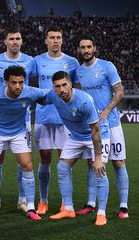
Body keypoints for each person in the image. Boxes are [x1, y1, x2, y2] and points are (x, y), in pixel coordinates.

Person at [0, 66, 44, 221]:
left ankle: (30, 207)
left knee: (27, 165)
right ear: (6, 82)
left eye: (21, 82)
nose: (18, 86)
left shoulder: (30, 92)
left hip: (18, 133)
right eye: (14, 82)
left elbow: (49, 94)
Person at [0, 27, 36, 214]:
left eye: (18, 38)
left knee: (25, 162)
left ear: (22, 41)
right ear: (5, 41)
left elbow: (30, 86)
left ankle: (23, 199)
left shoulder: (30, 61)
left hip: (23, 118)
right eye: (11, 39)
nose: (15, 42)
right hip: (0, 117)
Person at [45, 71, 110, 226]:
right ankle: (68, 209)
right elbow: (37, 96)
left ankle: (102, 213)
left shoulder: (84, 101)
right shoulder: (53, 96)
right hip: (76, 136)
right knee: (62, 167)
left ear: (71, 84)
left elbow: (95, 131)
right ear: (54, 88)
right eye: (57, 86)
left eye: (64, 85)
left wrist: (98, 158)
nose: (61, 89)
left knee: (99, 170)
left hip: (97, 134)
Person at [75, 35, 129, 218]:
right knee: (93, 164)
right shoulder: (79, 71)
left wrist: (106, 111)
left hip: (112, 124)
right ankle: (91, 203)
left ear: (95, 48)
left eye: (89, 47)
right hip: (92, 125)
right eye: (83, 47)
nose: (86, 50)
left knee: (118, 162)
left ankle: (123, 206)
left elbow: (120, 90)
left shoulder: (107, 66)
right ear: (79, 50)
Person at [33, 26, 79, 215]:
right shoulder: (37, 61)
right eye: (51, 37)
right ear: (46, 40)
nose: (55, 41)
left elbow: (74, 88)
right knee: (44, 159)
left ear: (62, 40)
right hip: (43, 117)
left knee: (64, 160)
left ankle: (65, 203)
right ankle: (43, 201)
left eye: (58, 37)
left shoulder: (72, 62)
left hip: (65, 119)